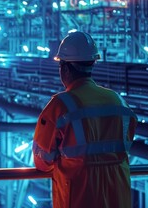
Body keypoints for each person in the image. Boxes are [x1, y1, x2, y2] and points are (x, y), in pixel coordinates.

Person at [32, 31, 137, 208]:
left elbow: (42, 161)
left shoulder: (60, 105)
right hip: (119, 198)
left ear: (64, 68)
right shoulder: (118, 102)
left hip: (80, 198)